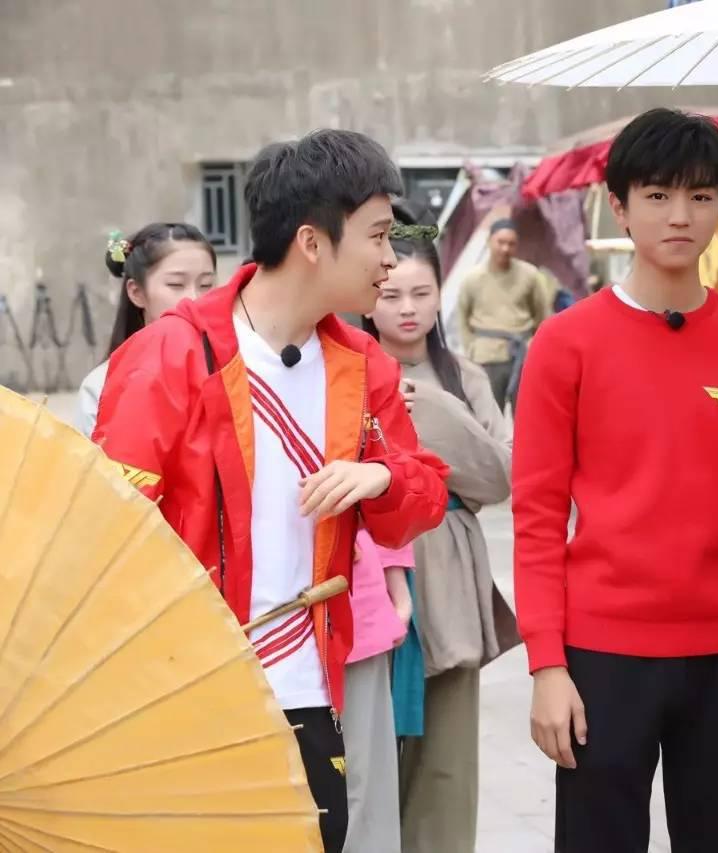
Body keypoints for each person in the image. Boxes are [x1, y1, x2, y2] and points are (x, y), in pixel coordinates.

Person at [92, 129, 453, 853]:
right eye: (377, 235)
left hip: (311, 689)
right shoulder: (171, 353)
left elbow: (419, 503)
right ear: (312, 242)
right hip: (189, 694)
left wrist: (383, 476)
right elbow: (105, 534)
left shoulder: (364, 363)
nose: (390, 258)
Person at [514, 108, 718, 853]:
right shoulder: (565, 343)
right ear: (620, 207)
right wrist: (547, 665)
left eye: (699, 196)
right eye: (657, 195)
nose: (680, 215)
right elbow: (536, 516)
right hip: (602, 652)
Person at [362, 215, 520, 853]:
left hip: (448, 563)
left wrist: (430, 408)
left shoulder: (465, 379)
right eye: (391, 294)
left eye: (421, 293)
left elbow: (500, 477)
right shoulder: (344, 371)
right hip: (372, 568)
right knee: (369, 748)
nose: (406, 308)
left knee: (447, 757)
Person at [77, 223, 216, 436]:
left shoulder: (232, 369)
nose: (194, 299)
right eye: (176, 284)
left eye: (206, 285)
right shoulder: (100, 387)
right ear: (136, 293)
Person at [342, 532, 413, 853]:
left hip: (354, 605)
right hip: (252, 612)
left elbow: (383, 506)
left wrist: (397, 584)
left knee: (363, 785)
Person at [456, 219, 551, 414]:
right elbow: (463, 317)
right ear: (489, 241)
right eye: (500, 242)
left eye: (511, 243)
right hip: (486, 356)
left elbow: (543, 315)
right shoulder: (472, 279)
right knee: (487, 415)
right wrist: (471, 347)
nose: (505, 248)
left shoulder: (530, 275)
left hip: (523, 355)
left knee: (527, 414)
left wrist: (535, 346)